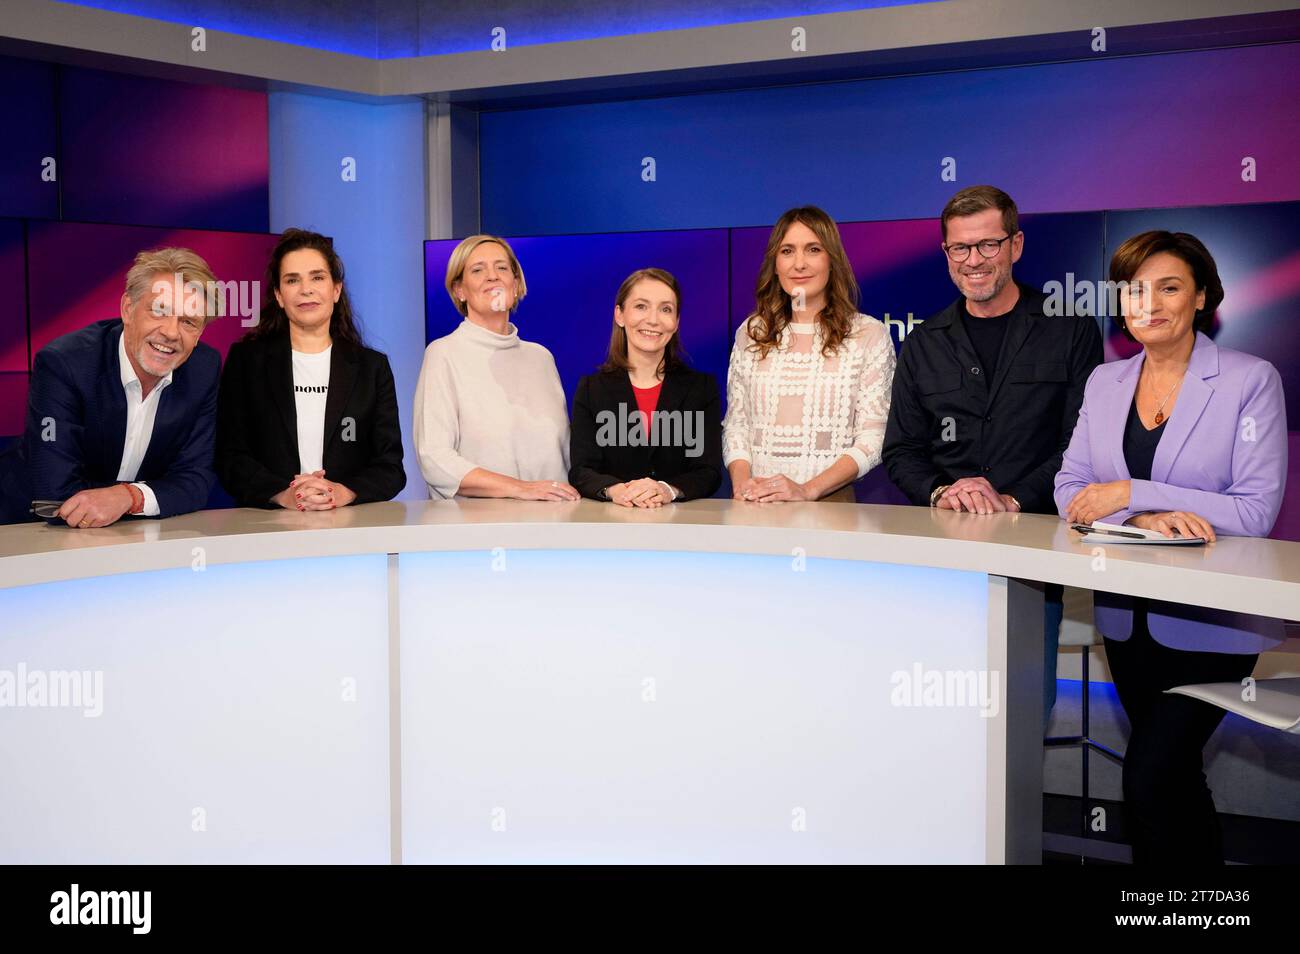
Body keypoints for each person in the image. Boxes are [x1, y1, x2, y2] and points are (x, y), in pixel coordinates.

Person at [1055, 230, 1288, 864]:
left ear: (1202, 297)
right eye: (1134, 289)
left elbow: (1254, 510)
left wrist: (1132, 492)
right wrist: (1143, 510)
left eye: (1169, 287)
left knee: (1150, 775)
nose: (1149, 303)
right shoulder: (1105, 382)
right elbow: (1072, 486)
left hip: (1213, 625)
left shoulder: (1249, 380)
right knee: (1178, 778)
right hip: (1126, 620)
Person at [882, 185, 1103, 720]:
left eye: (988, 245)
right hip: (941, 557)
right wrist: (943, 491)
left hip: (1031, 553)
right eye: (960, 248)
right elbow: (902, 450)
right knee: (940, 703)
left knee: (1025, 708)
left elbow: (1081, 446)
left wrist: (1011, 499)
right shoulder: (924, 342)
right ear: (946, 253)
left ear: (1016, 245)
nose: (974, 260)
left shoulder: (1070, 330)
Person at [0, 247, 222, 527]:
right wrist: (153, 494)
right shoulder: (65, 364)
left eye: (188, 321)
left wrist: (128, 496)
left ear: (200, 332)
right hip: (24, 529)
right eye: (159, 311)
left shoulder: (204, 368)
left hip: (130, 535)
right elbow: (55, 494)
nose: (171, 332)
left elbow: (196, 479)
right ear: (127, 309)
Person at [215, 229, 405, 510]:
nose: (306, 289)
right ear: (279, 296)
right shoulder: (246, 362)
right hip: (268, 526)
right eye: (293, 280)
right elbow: (230, 458)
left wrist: (341, 492)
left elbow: (390, 467)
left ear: (336, 289)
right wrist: (285, 495)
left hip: (350, 528)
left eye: (317, 277)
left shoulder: (372, 368)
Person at [722, 206, 895, 503]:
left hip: (831, 507)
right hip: (755, 506)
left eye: (813, 249)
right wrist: (743, 486)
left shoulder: (868, 335)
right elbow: (738, 425)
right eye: (787, 251)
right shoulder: (752, 332)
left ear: (832, 260)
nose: (799, 264)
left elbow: (874, 437)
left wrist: (806, 490)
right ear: (775, 265)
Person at [413, 234, 577, 501]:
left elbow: (565, 453)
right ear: (459, 290)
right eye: (477, 270)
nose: (492, 276)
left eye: (501, 268)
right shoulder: (443, 354)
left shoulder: (541, 358)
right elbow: (435, 458)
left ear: (516, 283)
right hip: (479, 533)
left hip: (552, 527)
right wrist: (522, 490)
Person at [569, 268, 722, 505]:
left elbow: (708, 472)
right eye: (641, 306)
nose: (653, 319)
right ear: (619, 315)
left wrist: (665, 490)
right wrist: (617, 491)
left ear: (676, 322)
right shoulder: (591, 389)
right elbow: (582, 470)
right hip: (612, 526)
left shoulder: (701, 389)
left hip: (680, 527)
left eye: (665, 309)